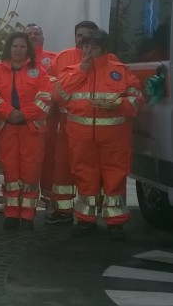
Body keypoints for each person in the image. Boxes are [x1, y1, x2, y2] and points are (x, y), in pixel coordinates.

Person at [56, 30, 142, 240]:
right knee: (85, 176)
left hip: (115, 137)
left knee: (114, 176)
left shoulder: (120, 71)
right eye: (86, 46)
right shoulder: (71, 71)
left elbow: (137, 97)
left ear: (104, 50)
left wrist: (120, 105)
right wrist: (81, 72)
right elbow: (59, 96)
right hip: (81, 137)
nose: (88, 51)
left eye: (94, 47)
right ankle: (86, 220)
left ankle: (115, 222)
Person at [0, 33, 51, 230]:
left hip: (31, 130)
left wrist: (22, 114)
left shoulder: (39, 71)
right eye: (15, 46)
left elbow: (45, 99)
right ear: (9, 47)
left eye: (22, 46)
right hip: (8, 129)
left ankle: (28, 215)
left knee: (30, 175)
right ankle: (11, 214)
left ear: (28, 49)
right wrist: (9, 113)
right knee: (11, 173)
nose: (19, 50)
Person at [46, 20, 100, 225]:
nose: (83, 40)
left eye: (89, 36)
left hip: (96, 126)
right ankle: (63, 210)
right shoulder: (62, 58)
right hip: (67, 123)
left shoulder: (106, 59)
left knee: (89, 169)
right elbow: (54, 92)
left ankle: (89, 213)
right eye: (80, 36)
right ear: (75, 36)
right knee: (63, 166)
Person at [25, 23, 58, 213]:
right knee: (23, 162)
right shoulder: (16, 59)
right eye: (29, 33)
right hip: (23, 120)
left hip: (48, 120)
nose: (33, 36)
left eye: (37, 33)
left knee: (48, 161)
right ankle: (18, 201)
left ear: (43, 39)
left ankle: (49, 200)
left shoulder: (54, 59)